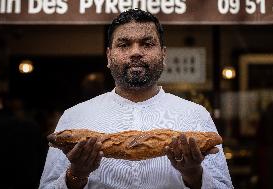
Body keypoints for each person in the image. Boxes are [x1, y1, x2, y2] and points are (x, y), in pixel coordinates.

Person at [39, 9, 233, 189]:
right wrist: (76, 174)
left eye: (147, 44)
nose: (135, 52)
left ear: (163, 55)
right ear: (108, 56)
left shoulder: (195, 116)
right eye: (124, 45)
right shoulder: (74, 118)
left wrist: (193, 174)